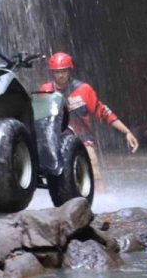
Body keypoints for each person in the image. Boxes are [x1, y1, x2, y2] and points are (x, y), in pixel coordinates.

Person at [46, 52, 139, 192]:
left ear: (69, 71)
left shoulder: (83, 90)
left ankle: (102, 200)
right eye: (57, 72)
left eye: (63, 71)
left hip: (82, 139)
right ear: (52, 73)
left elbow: (103, 112)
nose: (60, 75)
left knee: (93, 167)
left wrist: (127, 132)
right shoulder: (46, 90)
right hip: (56, 139)